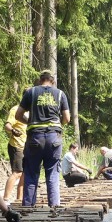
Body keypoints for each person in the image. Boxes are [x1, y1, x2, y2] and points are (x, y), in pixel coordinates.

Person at [15, 70, 70, 207]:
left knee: (31, 173)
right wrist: (58, 124)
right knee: (52, 174)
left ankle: (28, 207)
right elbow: (67, 118)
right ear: (53, 81)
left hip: (35, 137)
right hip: (54, 138)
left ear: (40, 80)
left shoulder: (31, 92)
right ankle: (54, 208)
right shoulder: (60, 94)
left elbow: (18, 115)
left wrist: (30, 122)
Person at [3, 105, 28, 202]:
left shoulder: (32, 111)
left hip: (27, 146)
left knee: (24, 174)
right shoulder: (16, 110)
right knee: (17, 173)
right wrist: (13, 131)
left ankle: (19, 199)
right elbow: (7, 125)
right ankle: (6, 198)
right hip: (17, 145)